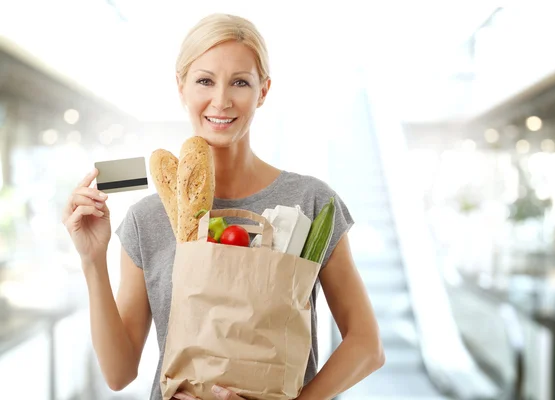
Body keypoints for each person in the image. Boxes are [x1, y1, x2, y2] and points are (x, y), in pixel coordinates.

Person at [62, 13, 384, 400]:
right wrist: (92, 260)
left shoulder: (311, 201)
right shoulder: (147, 218)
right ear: (180, 87)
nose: (221, 100)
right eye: (204, 81)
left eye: (240, 83)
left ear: (263, 91)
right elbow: (118, 373)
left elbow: (367, 345)